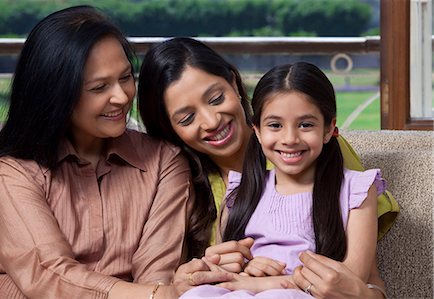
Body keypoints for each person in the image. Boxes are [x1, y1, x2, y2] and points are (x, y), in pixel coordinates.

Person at [0, 6, 228, 299]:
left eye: (126, 77)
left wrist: (154, 292)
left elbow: (157, 272)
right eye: (99, 87)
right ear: (56, 92)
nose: (122, 97)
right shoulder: (12, 174)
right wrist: (148, 295)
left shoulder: (164, 161)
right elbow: (48, 274)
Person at [137, 37, 398, 298]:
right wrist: (192, 277)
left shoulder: (315, 156)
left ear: (233, 82)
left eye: (216, 98)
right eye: (187, 118)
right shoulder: (183, 182)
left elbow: (364, 282)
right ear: (170, 129)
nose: (211, 121)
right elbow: (169, 280)